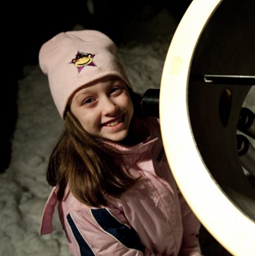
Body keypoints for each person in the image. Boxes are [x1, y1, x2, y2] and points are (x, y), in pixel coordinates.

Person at [38, 30, 202, 256]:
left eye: (115, 89)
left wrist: (190, 249)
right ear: (71, 115)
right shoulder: (87, 197)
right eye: (88, 100)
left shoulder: (153, 138)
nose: (110, 108)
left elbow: (181, 196)